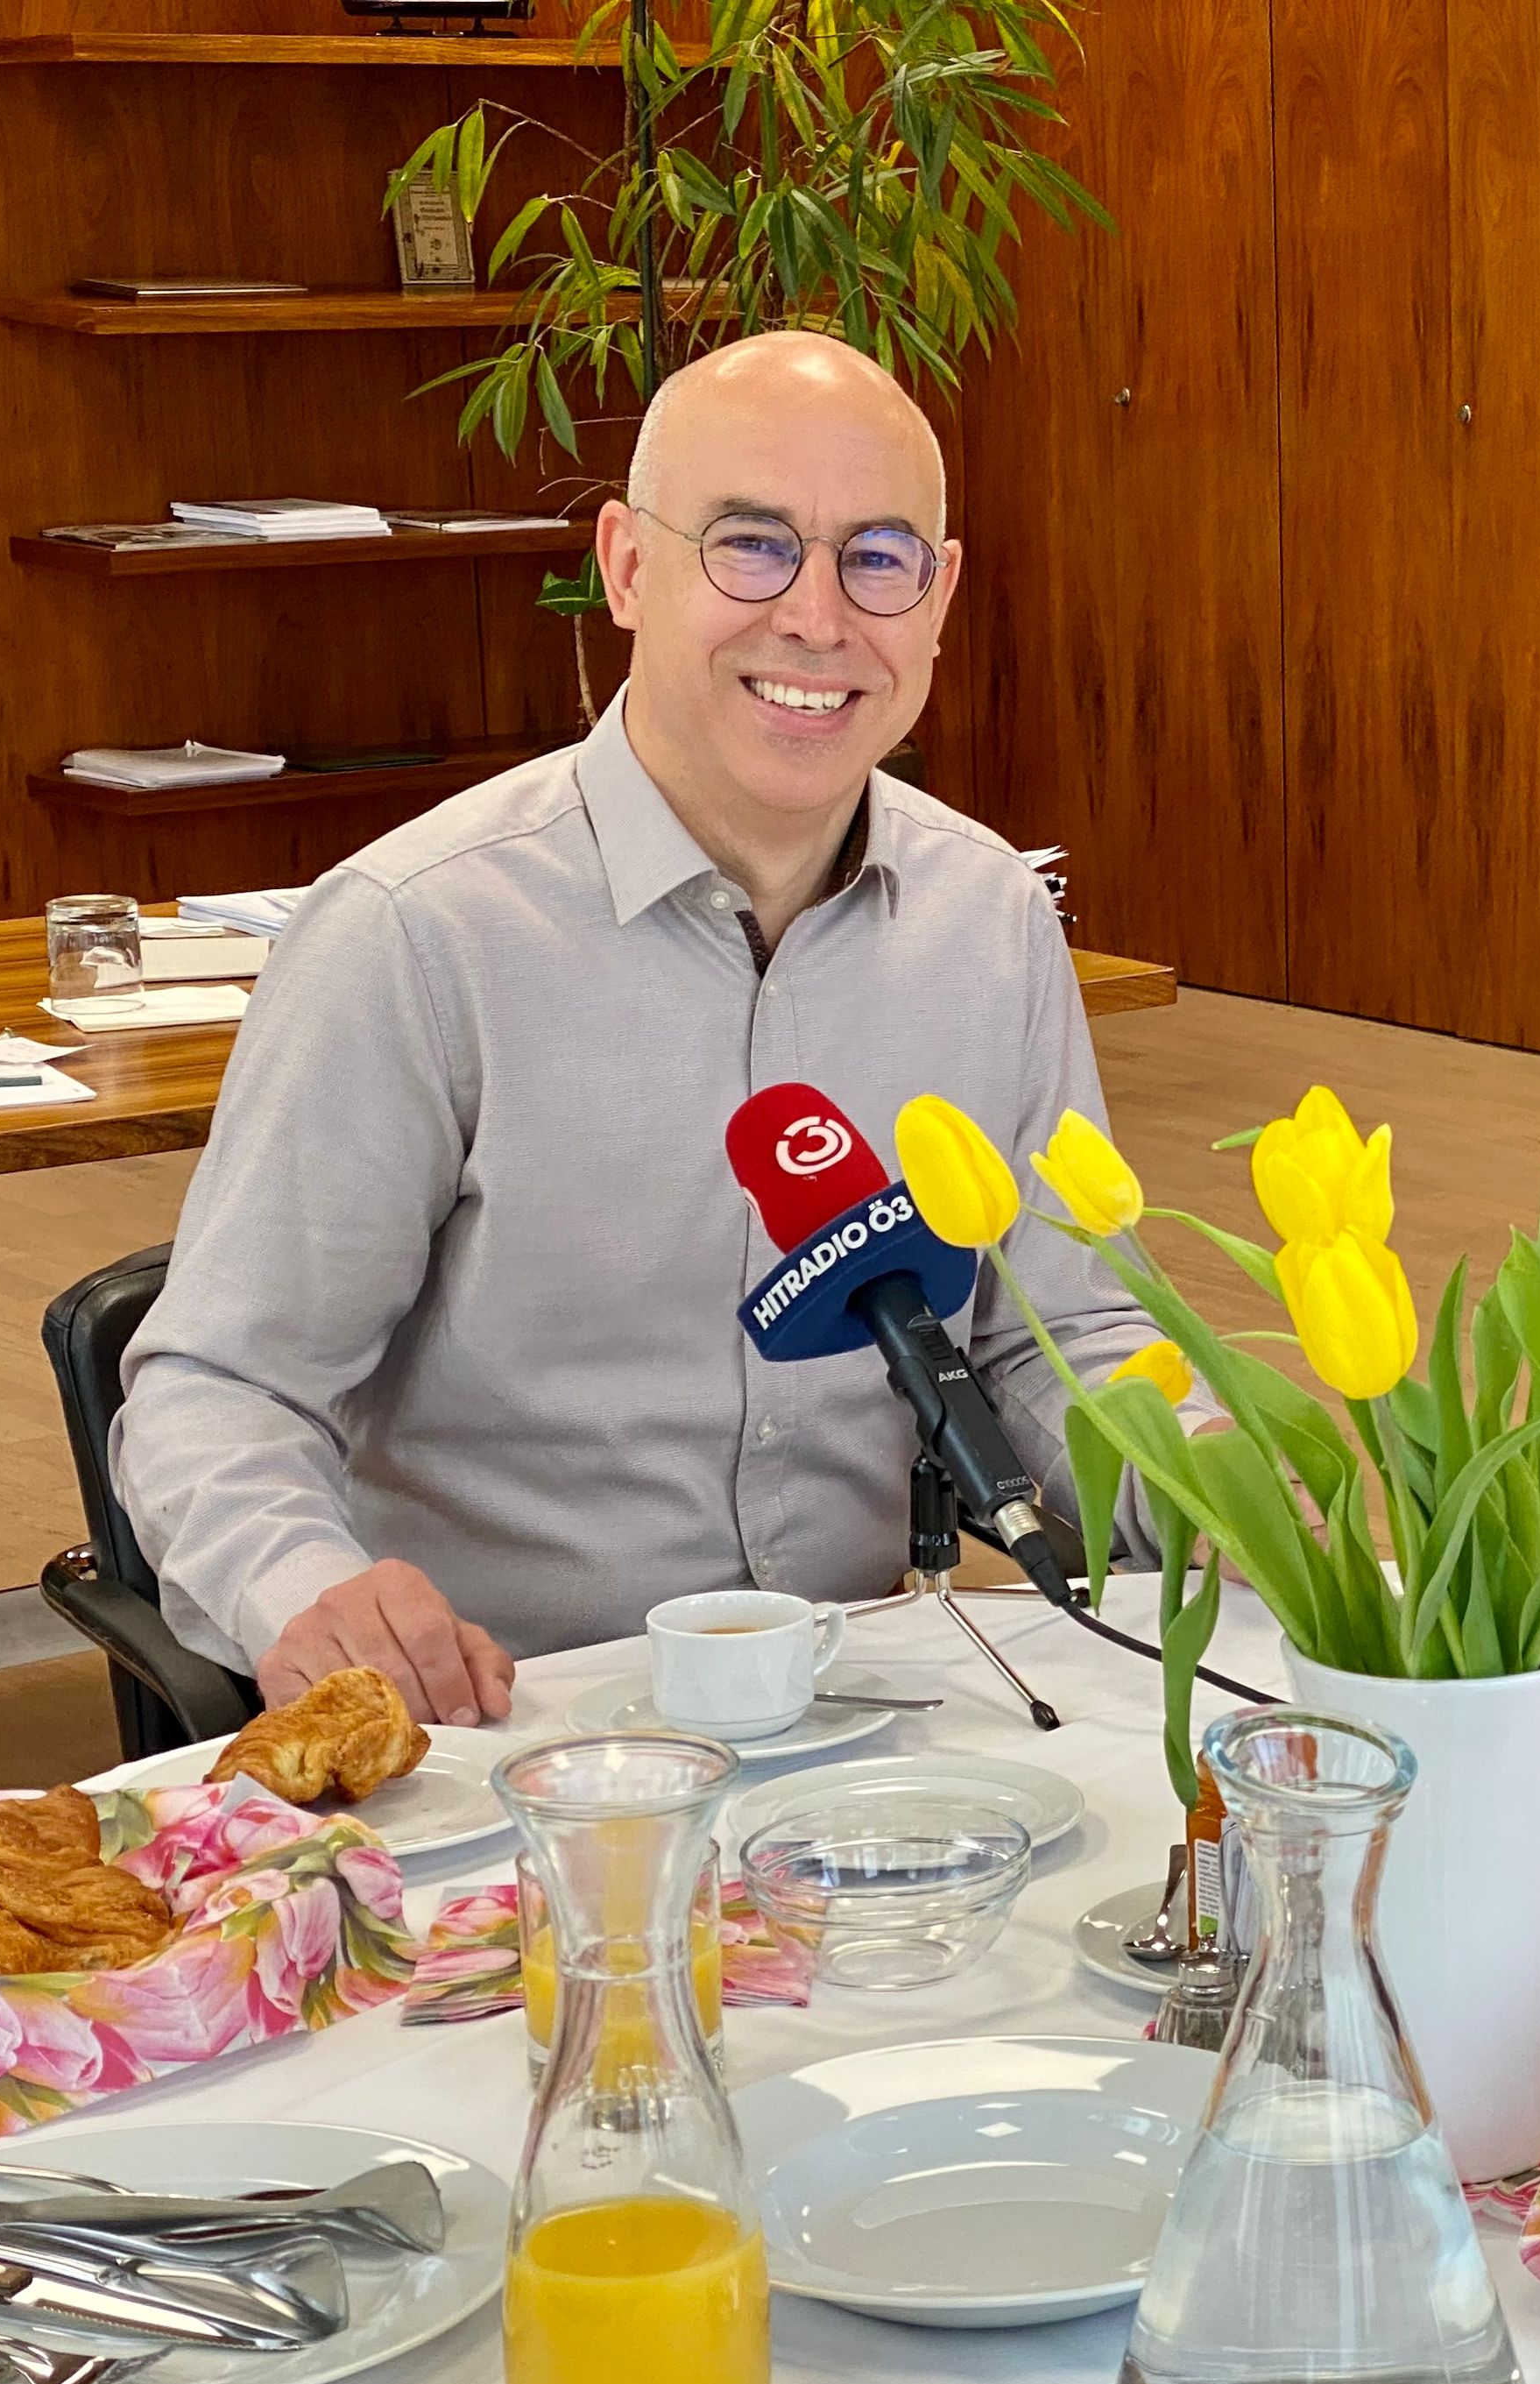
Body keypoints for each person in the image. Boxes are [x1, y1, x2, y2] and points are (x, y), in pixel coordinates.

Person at [116, 331, 1197, 1726]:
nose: (817, 617)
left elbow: (1050, 1341)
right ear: (628, 566)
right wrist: (304, 1589)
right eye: (752, 545)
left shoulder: (987, 919)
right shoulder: (417, 932)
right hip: (516, 1729)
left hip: (866, 1706)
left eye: (878, 558)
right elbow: (220, 1388)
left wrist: (1233, 1490)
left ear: (941, 598)